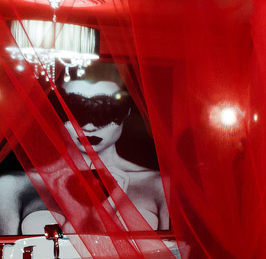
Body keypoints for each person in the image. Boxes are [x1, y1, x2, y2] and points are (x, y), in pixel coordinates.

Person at [0, 63, 167, 235]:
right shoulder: (12, 186)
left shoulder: (159, 186)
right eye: (75, 111)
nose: (89, 127)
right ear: (56, 111)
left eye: (107, 111)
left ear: (128, 111)